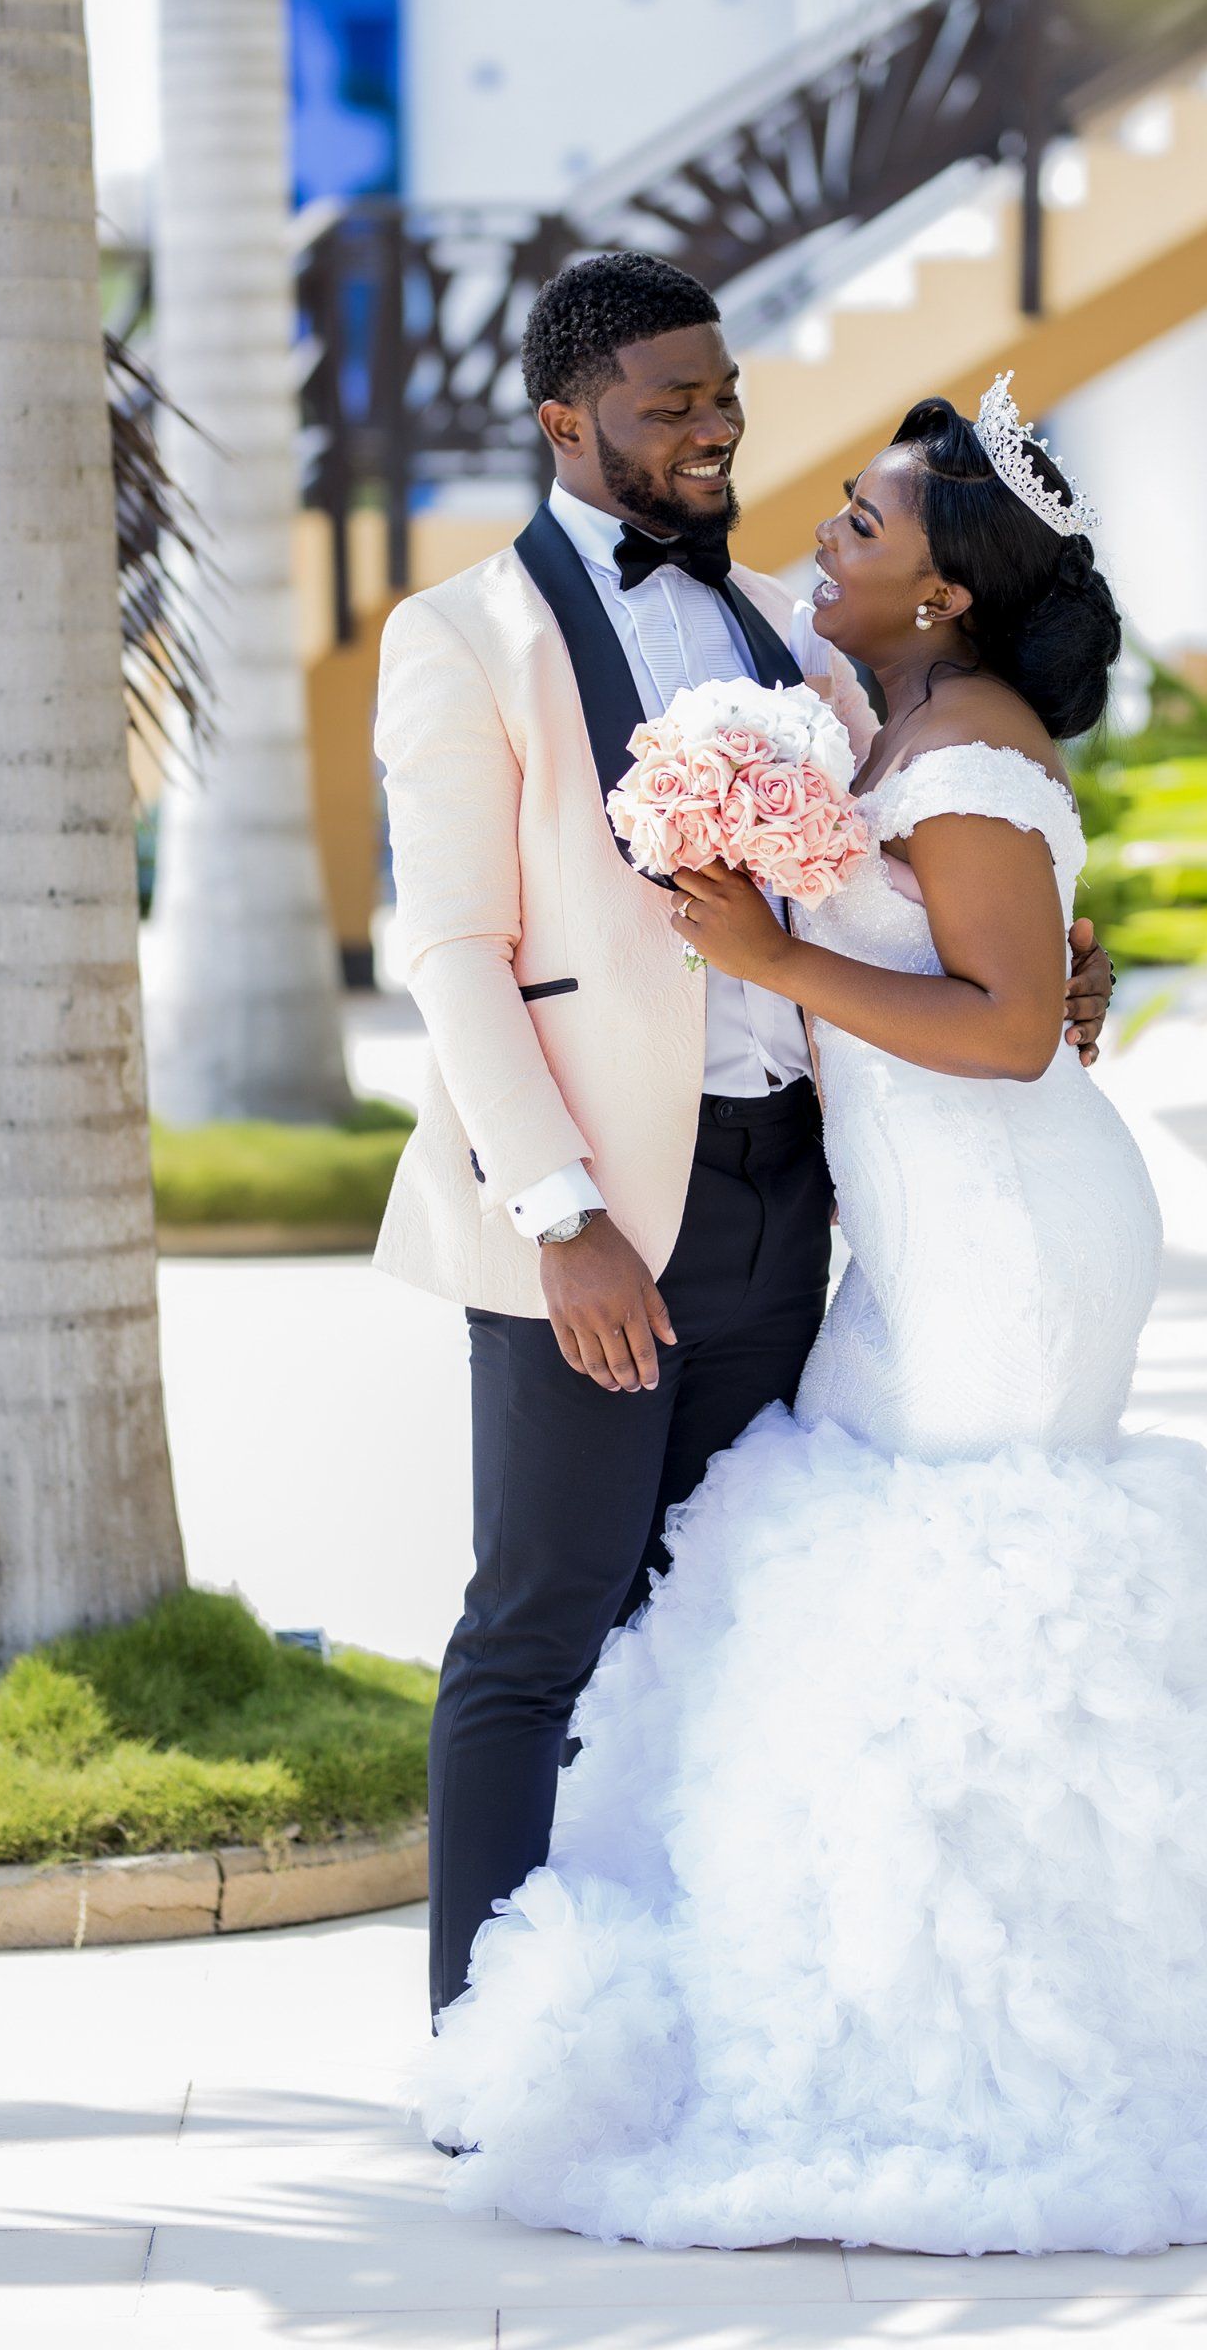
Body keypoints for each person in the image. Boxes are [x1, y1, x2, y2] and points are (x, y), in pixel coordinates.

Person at [414, 378, 1207, 2253]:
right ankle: (907, 2005)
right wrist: (1037, 943)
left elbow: (1009, 1027)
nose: (819, 530)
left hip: (996, 1230)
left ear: (939, 595)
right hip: (905, 1219)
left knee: (971, 1602)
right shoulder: (871, 694)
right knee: (878, 1603)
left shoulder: (956, 733)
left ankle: (1014, 2044)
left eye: (864, 520)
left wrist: (790, 949)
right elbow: (982, 950)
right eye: (834, 505)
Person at [370, 253, 1115, 2027]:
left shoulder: (795, 620)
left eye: (726, 401)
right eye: (672, 406)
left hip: (795, 1192)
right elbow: (453, 955)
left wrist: (1058, 955)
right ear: (569, 422)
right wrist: (563, 1216)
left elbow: (924, 845)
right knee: (541, 1626)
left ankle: (682, 2010)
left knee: (714, 1618)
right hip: (598, 1210)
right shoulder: (461, 636)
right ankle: (491, 2046)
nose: (715, 435)